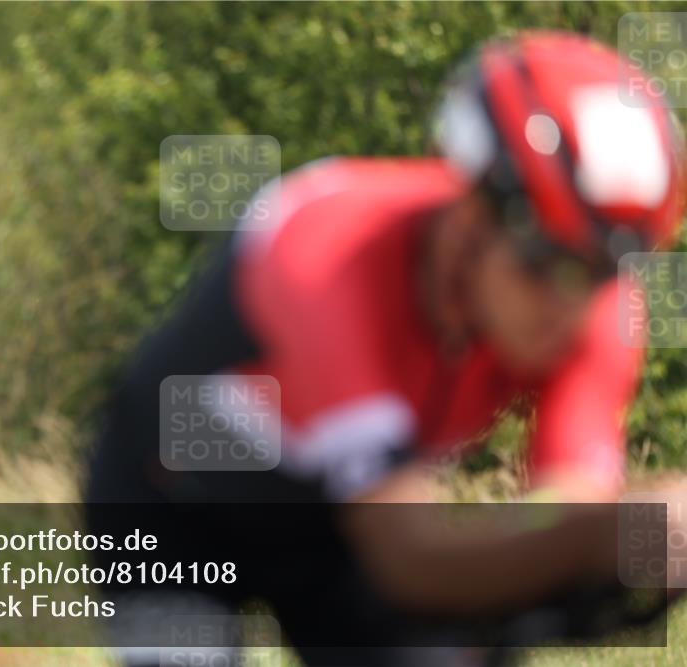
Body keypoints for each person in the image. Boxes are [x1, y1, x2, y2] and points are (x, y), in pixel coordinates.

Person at [86, 31, 686, 666]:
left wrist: (631, 542)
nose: (575, 309)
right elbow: (410, 559)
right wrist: (608, 537)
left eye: (605, 271)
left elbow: (562, 514)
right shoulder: (327, 253)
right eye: (549, 266)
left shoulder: (602, 311)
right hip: (172, 511)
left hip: (334, 532)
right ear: (471, 218)